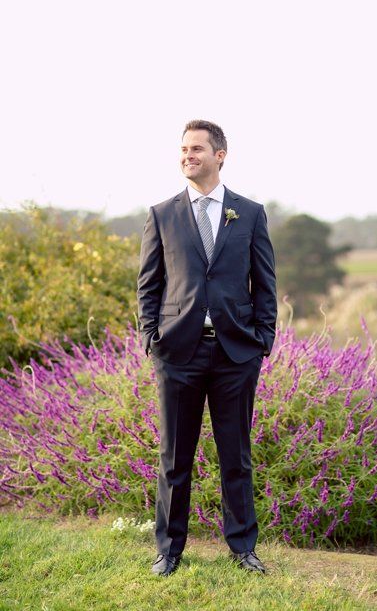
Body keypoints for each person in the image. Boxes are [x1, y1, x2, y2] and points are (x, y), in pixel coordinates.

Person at [137, 120, 277, 576]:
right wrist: (150, 339)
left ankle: (242, 547)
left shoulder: (250, 213)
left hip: (236, 354)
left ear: (221, 155)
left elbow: (265, 284)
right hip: (177, 353)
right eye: (183, 149)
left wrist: (263, 342)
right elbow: (149, 286)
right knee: (174, 458)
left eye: (197, 148)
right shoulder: (161, 214)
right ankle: (169, 550)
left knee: (235, 456)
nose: (187, 155)